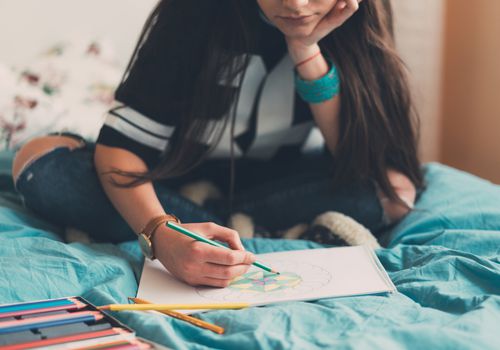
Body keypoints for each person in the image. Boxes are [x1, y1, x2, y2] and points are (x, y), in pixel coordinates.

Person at [12, 0, 422, 287]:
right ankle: (214, 226)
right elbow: (123, 149)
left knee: (396, 191)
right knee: (38, 162)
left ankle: (214, 225)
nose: (296, 5)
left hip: (283, 185)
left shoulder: (358, 19)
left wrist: (306, 50)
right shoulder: (194, 11)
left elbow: (359, 161)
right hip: (174, 178)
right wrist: (160, 231)